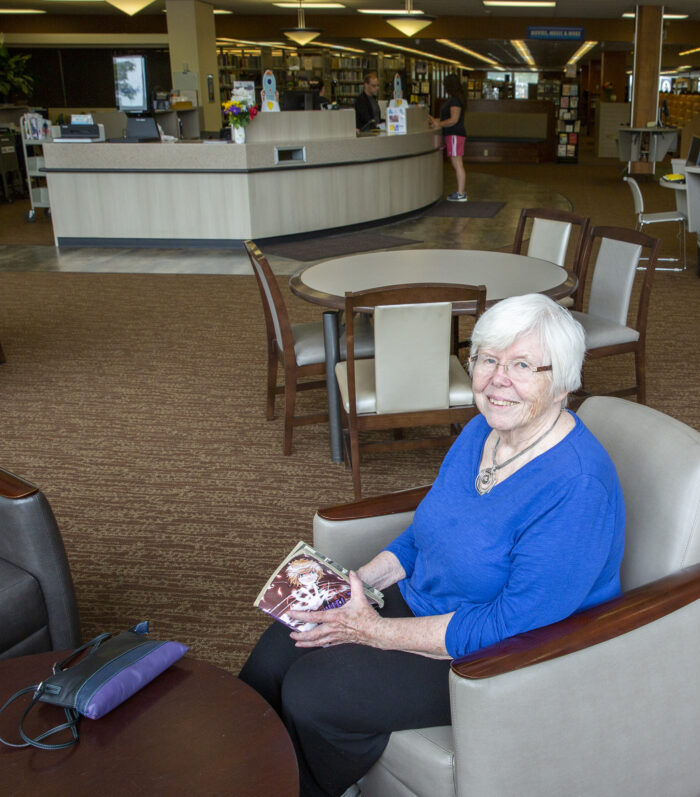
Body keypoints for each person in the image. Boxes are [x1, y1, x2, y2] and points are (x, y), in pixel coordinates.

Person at [239, 294, 625, 797]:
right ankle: (239, 772)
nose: (497, 379)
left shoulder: (577, 487)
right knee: (282, 644)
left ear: (563, 381)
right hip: (430, 602)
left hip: (500, 652)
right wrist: (361, 583)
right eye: (487, 359)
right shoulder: (480, 431)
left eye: (523, 365)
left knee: (317, 692)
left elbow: (513, 622)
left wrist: (376, 632)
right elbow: (429, 531)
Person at [428, 74, 468, 201]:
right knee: (456, 162)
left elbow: (453, 120)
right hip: (453, 134)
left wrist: (439, 123)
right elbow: (448, 119)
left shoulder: (455, 100)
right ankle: (461, 192)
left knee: (457, 163)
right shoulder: (455, 99)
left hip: (455, 134)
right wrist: (436, 120)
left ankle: (461, 193)